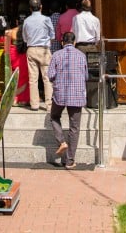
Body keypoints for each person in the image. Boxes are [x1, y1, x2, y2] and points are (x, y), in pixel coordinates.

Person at [46, 32, 88, 169]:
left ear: (63, 42)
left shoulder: (56, 55)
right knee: (74, 127)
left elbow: (51, 75)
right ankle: (70, 161)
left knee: (54, 117)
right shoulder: (81, 56)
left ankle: (61, 141)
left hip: (60, 94)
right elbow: (86, 76)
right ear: (74, 42)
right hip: (77, 95)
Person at [21, 0, 54, 111]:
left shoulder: (26, 21)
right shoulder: (46, 19)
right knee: (47, 78)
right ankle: (49, 104)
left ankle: (34, 105)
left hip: (31, 49)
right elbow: (52, 35)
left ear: (30, 9)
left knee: (33, 79)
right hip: (44, 49)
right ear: (41, 7)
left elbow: (25, 38)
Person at [4, 12, 30, 105]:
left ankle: (13, 98)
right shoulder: (28, 32)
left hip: (13, 55)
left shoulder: (10, 32)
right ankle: (23, 99)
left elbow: (6, 48)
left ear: (16, 21)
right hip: (24, 55)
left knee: (14, 76)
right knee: (24, 76)